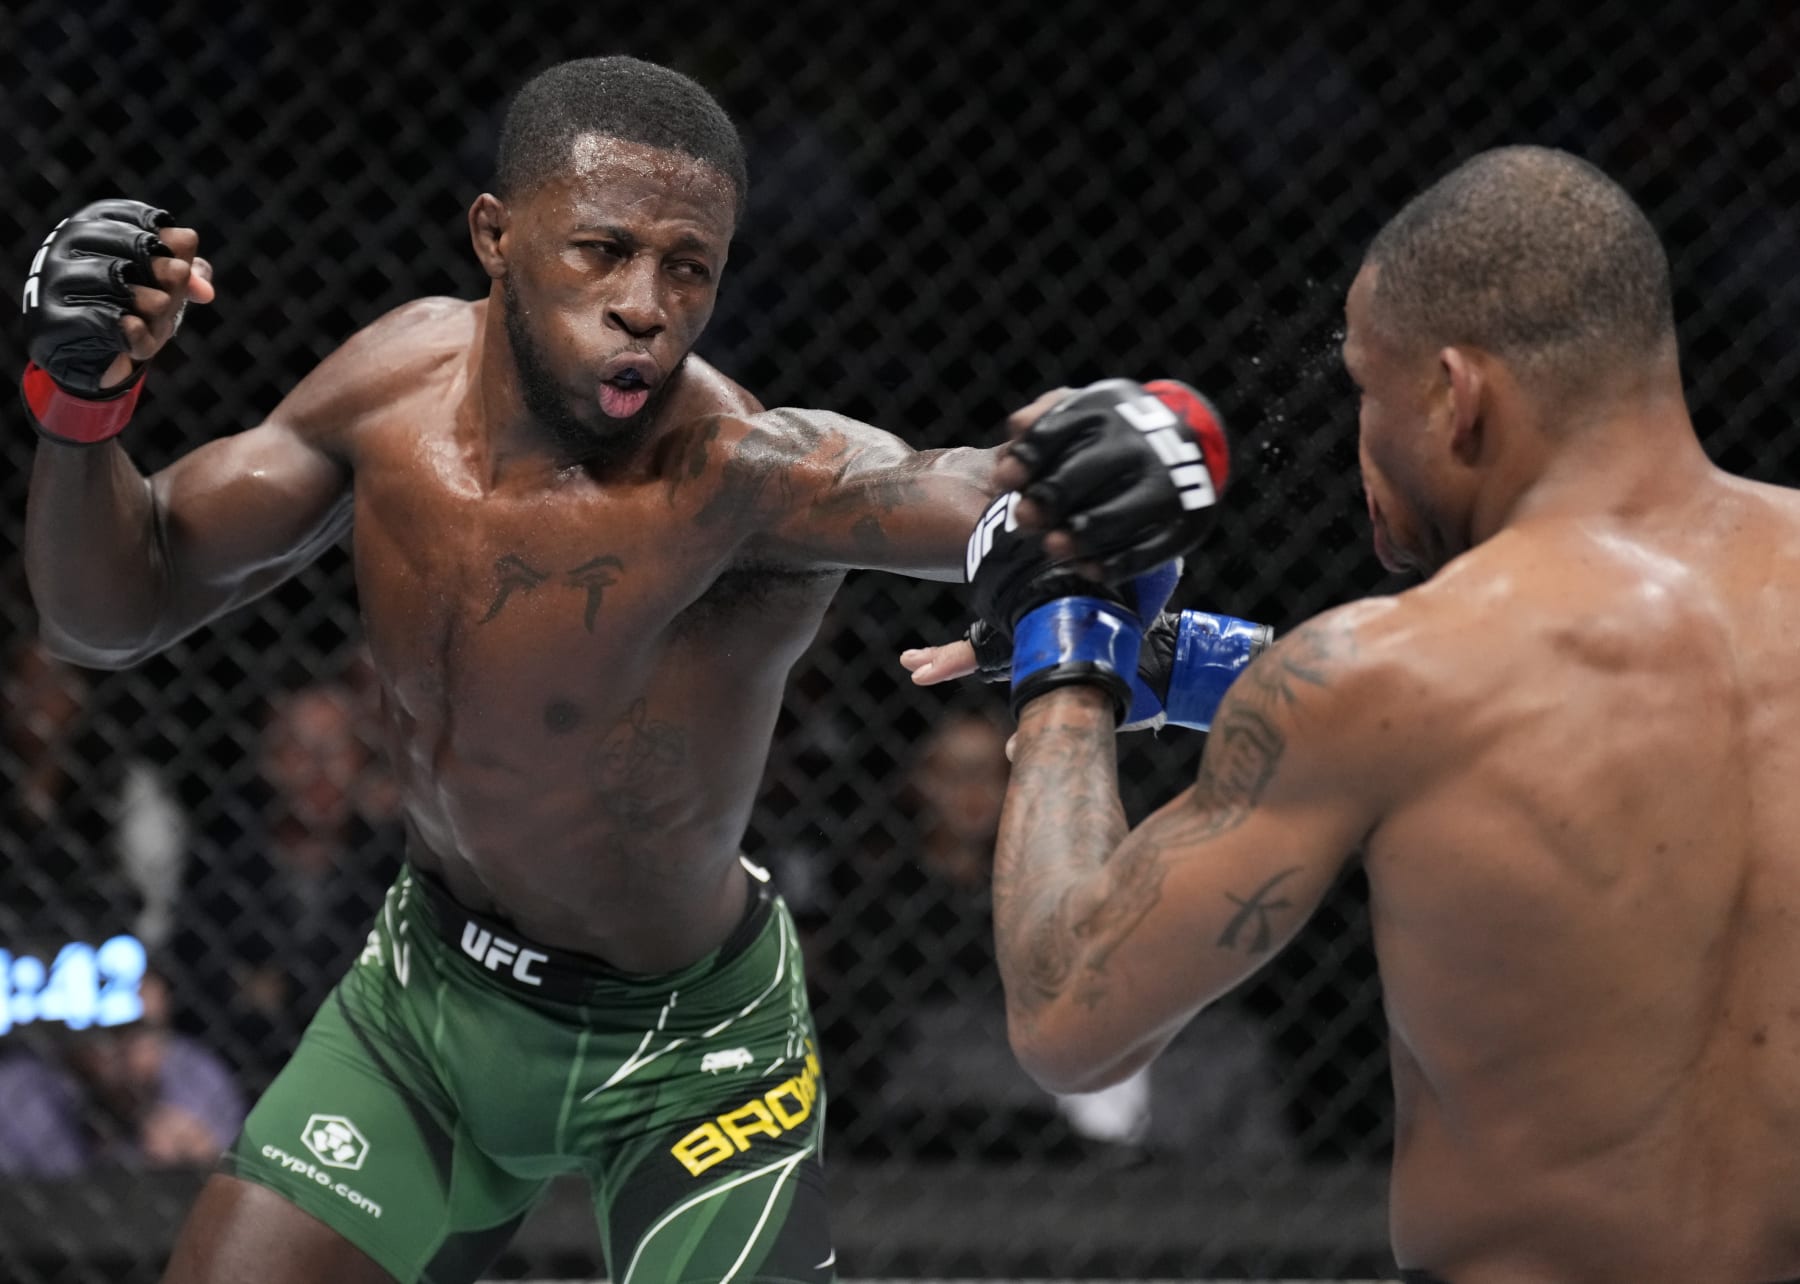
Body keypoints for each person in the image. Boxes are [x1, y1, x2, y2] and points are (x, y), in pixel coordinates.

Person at [20, 55, 1217, 1284]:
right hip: (427, 1000)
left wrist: (1142, 441)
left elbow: (979, 495)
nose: (646, 304)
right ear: (495, 235)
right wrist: (81, 406)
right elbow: (107, 613)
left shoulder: (745, 473)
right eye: (602, 250)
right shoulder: (391, 390)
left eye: (687, 267)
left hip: (691, 1051)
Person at [913, 144, 1800, 1282]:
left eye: (1365, 394)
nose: (1361, 450)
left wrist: (1066, 656)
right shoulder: (1392, 686)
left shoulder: (1384, 678)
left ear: (1454, 392)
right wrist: (1194, 668)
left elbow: (1065, 1016)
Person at [0, 965, 245, 1177]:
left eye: (149, 1033)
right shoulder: (18, 1092)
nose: (133, 1055)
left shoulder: (193, 1071)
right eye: (116, 1035)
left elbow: (236, 1172)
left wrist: (197, 1154)